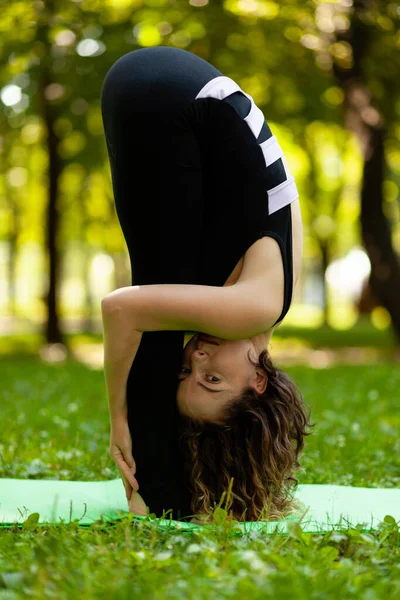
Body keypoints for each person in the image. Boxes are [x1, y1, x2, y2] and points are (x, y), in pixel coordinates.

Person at [100, 46, 314, 523]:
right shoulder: (251, 310)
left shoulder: (273, 299)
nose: (196, 359)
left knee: (162, 311)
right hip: (163, 95)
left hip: (179, 80)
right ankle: (157, 498)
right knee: (153, 331)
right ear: (258, 379)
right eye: (212, 379)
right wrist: (119, 419)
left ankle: (161, 493)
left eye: (190, 376)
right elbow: (120, 309)